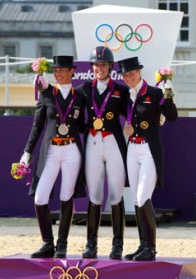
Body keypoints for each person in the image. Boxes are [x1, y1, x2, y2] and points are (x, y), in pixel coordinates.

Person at [20, 55, 86, 259]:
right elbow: (37, 125)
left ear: (71, 72)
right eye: (55, 71)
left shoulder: (81, 95)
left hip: (71, 150)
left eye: (62, 70)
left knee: (66, 195)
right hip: (51, 150)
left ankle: (62, 243)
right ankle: (47, 243)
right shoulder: (46, 94)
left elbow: (84, 123)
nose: (58, 73)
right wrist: (27, 152)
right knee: (40, 197)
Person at [117, 56, 178, 261]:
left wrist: (168, 94)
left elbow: (172, 116)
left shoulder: (154, 92)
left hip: (148, 150)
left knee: (144, 197)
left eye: (131, 74)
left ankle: (151, 248)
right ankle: (142, 245)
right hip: (132, 149)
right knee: (135, 199)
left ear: (140, 72)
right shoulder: (126, 94)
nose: (128, 78)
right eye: (125, 75)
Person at [76, 46, 129, 260]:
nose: (100, 68)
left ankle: (117, 244)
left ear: (110, 67)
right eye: (97, 65)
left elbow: (134, 114)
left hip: (114, 143)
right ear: (92, 67)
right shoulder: (82, 90)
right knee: (95, 196)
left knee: (116, 195)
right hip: (93, 144)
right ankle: (91, 243)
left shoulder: (121, 90)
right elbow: (75, 118)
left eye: (104, 64)